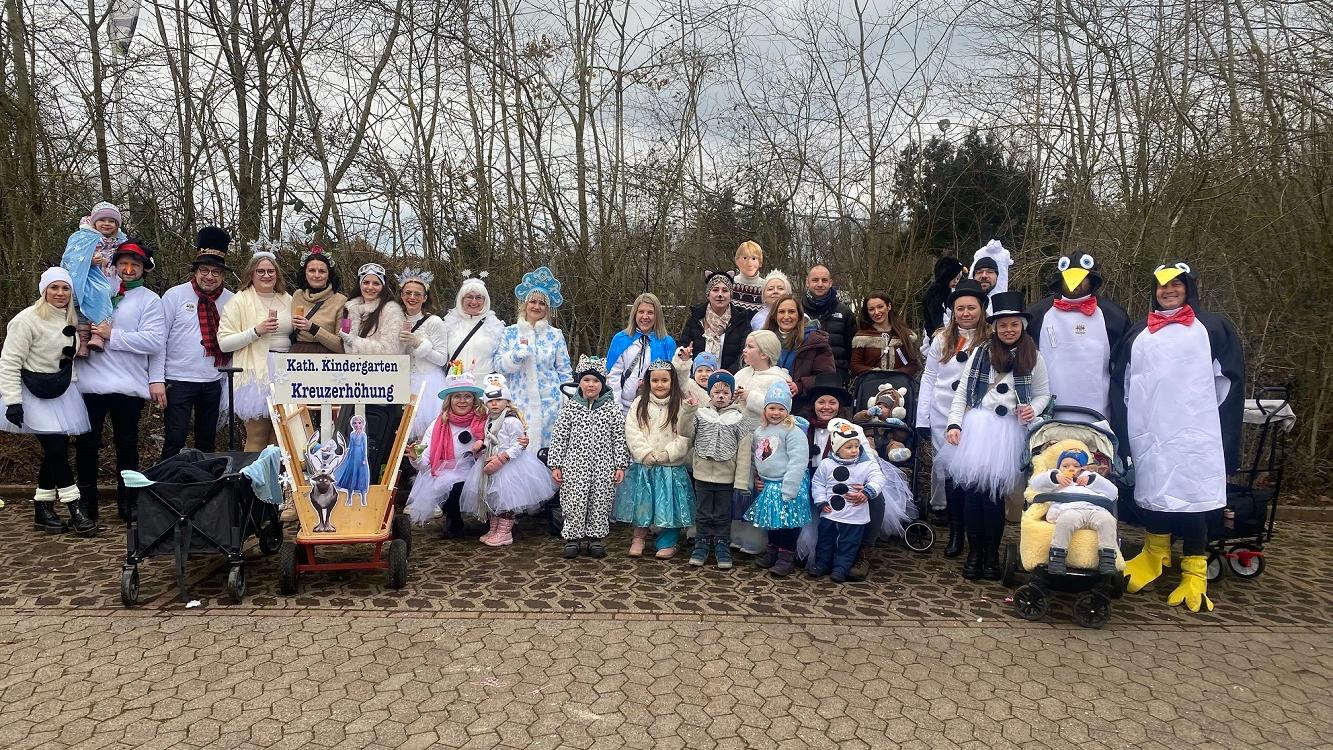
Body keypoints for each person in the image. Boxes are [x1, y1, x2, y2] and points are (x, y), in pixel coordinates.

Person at [1116, 262, 1244, 613]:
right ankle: (1154, 554)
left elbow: (1227, 383)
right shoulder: (1139, 332)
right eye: (1161, 286)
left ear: (1188, 287)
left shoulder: (1213, 328)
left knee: (1192, 498)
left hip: (1195, 432)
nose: (1168, 290)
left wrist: (1215, 428)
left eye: (1175, 284)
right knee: (1154, 493)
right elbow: (1123, 383)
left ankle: (1195, 571)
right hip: (1151, 430)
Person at [945, 290, 1051, 581]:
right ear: (994, 326)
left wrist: (1033, 408)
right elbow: (963, 392)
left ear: (1022, 326)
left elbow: (1043, 394)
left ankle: (991, 553)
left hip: (1008, 432)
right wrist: (955, 424)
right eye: (1002, 324)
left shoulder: (1034, 357)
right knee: (973, 495)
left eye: (1014, 324)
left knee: (994, 498)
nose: (1008, 329)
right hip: (978, 428)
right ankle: (974, 551)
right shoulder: (981, 352)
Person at [74, 238, 166, 525]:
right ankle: (87, 504)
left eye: (134, 265)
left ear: (143, 269)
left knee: (127, 444)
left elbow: (154, 341)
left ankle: (129, 503)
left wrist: (113, 335)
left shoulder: (150, 300)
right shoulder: (94, 291)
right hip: (90, 382)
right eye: (123, 264)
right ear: (114, 265)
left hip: (127, 383)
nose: (128, 269)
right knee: (86, 444)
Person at [0, 268, 95, 536]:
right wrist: (13, 401)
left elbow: (66, 360)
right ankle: (75, 507)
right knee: (56, 449)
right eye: (54, 288)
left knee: (56, 450)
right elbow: (9, 361)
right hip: (32, 393)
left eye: (65, 289)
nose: (60, 293)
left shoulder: (69, 319)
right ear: (44, 291)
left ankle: (42, 509)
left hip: (61, 391)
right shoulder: (26, 320)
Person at [916, 279, 989, 554]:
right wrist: (923, 418)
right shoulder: (941, 339)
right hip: (942, 413)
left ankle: (973, 531)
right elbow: (930, 377)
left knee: (971, 472)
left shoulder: (990, 339)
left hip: (976, 415)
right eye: (960, 308)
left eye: (971, 308)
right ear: (953, 311)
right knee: (947, 469)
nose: (966, 313)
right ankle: (954, 530)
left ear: (981, 309)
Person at [1026, 251, 1130, 423]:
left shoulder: (1114, 316)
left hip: (1098, 409)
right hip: (1049, 409)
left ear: (1091, 279)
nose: (1076, 284)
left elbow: (1123, 368)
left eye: (1082, 278)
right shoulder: (1037, 314)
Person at [159, 227, 234, 460]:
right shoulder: (175, 296)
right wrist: (157, 379)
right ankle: (168, 487)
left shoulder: (231, 300)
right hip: (178, 379)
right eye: (204, 270)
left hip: (213, 380)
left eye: (216, 272)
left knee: (206, 440)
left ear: (223, 274)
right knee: (175, 437)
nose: (209, 277)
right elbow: (159, 340)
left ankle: (204, 488)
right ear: (196, 271)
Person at [613, 360, 696, 559]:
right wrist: (644, 453)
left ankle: (668, 540)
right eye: (655, 380)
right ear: (648, 382)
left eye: (665, 380)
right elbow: (632, 430)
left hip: (670, 466)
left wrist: (668, 453)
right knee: (644, 502)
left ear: (672, 381)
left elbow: (686, 434)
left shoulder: (681, 405)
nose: (660, 385)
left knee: (670, 504)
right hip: (646, 465)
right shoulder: (639, 404)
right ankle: (639, 538)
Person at [547, 356, 629, 558]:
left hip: (604, 467)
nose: (591, 385)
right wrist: (555, 464)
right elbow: (559, 437)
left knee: (600, 502)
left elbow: (619, 438)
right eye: (586, 380)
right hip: (574, 466)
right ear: (579, 382)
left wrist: (620, 465)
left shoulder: (612, 409)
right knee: (573, 502)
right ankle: (572, 538)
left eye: (596, 381)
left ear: (603, 383)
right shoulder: (570, 408)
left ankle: (596, 538)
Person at [461, 374, 555, 546]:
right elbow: (489, 437)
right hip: (490, 460)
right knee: (492, 498)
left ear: (507, 401)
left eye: (498, 400)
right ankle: (494, 529)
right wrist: (481, 445)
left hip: (509, 465)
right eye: (490, 401)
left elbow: (518, 445)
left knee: (506, 500)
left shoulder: (512, 421)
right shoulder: (490, 419)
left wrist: (503, 457)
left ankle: (504, 532)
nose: (494, 404)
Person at [218, 249, 293, 451]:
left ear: (277, 274)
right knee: (258, 435)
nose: (266, 275)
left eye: (270, 271)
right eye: (260, 271)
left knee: (281, 437)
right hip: (255, 372)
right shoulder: (240, 300)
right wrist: (256, 331)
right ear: (251, 274)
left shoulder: (288, 299)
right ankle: (251, 481)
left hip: (285, 370)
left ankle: (275, 480)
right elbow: (224, 343)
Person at [495, 267, 573, 451]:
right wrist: (514, 357)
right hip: (518, 402)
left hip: (551, 404)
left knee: (549, 452)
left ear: (547, 308)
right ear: (525, 304)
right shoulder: (510, 332)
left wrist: (567, 398)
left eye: (542, 303)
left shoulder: (555, 335)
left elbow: (564, 370)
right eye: (533, 301)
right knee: (518, 449)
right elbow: (498, 366)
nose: (537, 306)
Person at [685, 369, 753, 570]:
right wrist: (687, 411)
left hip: (726, 477)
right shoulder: (700, 414)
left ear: (732, 394)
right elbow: (685, 433)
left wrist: (741, 481)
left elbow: (744, 451)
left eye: (725, 392)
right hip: (703, 474)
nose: (721, 396)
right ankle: (702, 543)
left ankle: (722, 544)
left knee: (723, 513)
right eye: (716, 392)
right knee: (703, 512)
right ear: (709, 394)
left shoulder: (740, 418)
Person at [404, 370, 486, 534]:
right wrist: (415, 458)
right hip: (450, 473)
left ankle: (494, 521)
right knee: (449, 484)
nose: (462, 401)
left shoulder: (484, 419)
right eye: (457, 396)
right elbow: (426, 462)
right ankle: (453, 518)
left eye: (467, 396)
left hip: (480, 470)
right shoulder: (438, 425)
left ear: (474, 400)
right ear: (450, 400)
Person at [745, 381, 812, 577]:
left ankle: (786, 558)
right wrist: (757, 477)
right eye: (771, 408)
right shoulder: (760, 431)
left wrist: (789, 488)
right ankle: (772, 551)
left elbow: (798, 461)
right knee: (772, 521)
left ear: (788, 410)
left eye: (781, 408)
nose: (776, 413)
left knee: (786, 524)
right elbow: (757, 457)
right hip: (768, 484)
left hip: (786, 485)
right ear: (765, 410)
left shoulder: (793, 432)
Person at [809, 420, 886, 583]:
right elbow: (818, 483)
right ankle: (822, 564)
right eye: (849, 447)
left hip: (854, 514)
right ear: (837, 448)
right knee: (825, 539)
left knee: (848, 543)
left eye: (856, 447)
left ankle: (841, 568)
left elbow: (878, 477)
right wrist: (821, 501)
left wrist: (867, 491)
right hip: (830, 512)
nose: (854, 451)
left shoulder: (865, 465)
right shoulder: (826, 464)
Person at [1028, 447, 1118, 575]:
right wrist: (1055, 477)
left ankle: (1108, 559)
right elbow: (1035, 484)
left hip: (1094, 509)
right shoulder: (1056, 480)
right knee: (1066, 520)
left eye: (1076, 466)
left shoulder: (1092, 478)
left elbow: (1113, 492)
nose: (1071, 468)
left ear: (1083, 468)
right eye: (1065, 465)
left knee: (1108, 521)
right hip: (1069, 508)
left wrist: (1093, 481)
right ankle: (1057, 556)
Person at [61, 201, 125, 357]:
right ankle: (82, 342)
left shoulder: (120, 241)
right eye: (102, 220)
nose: (107, 224)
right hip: (84, 279)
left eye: (111, 221)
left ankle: (97, 335)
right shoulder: (82, 237)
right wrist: (88, 260)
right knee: (83, 303)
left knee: (104, 295)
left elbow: (133, 253)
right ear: (94, 221)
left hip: (108, 278)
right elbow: (69, 258)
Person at [396, 268, 450, 440]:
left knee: (425, 436)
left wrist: (418, 343)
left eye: (417, 294)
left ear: (425, 298)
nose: (412, 297)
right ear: (402, 295)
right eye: (408, 293)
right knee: (399, 433)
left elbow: (442, 358)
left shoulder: (434, 322)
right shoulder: (393, 319)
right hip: (400, 381)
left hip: (427, 384)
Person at [764, 294, 835, 414]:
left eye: (791, 311)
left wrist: (800, 385)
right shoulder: (763, 339)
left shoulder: (814, 341)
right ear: (774, 316)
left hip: (801, 408)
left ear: (799, 315)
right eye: (781, 312)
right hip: (767, 407)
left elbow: (827, 377)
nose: (786, 316)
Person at [606, 292, 677, 412]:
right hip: (624, 408)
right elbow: (613, 376)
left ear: (657, 316)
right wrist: (616, 408)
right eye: (641, 312)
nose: (645, 316)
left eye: (650, 312)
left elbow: (674, 378)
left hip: (656, 409)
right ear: (635, 314)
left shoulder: (667, 342)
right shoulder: (621, 339)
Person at [679, 271, 755, 373]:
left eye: (725, 290)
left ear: (730, 295)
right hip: (697, 380)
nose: (720, 294)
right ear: (708, 294)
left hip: (731, 380)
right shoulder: (696, 319)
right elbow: (683, 351)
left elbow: (745, 354)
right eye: (715, 290)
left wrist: (727, 374)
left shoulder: (741, 320)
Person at [441, 273, 505, 378]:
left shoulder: (496, 326)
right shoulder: (448, 324)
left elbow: (501, 360)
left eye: (479, 297)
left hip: (485, 387)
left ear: (485, 300)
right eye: (469, 297)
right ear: (461, 300)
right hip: (455, 387)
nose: (474, 301)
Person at [288, 246, 347, 355]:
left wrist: (312, 328)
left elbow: (343, 346)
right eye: (311, 270)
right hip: (297, 359)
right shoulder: (297, 296)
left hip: (326, 362)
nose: (316, 275)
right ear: (305, 274)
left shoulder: (341, 301)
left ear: (329, 275)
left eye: (322, 271)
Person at [802, 265, 855, 382]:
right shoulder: (797, 311)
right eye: (815, 280)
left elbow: (852, 350)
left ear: (830, 283)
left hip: (837, 376)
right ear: (807, 282)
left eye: (824, 280)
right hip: (805, 377)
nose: (820, 284)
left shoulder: (845, 312)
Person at [340, 263, 406, 354]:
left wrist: (355, 341)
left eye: (376, 283)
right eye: (366, 282)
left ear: (383, 287)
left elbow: (391, 350)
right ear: (360, 285)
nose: (370, 287)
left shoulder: (392, 311)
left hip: (380, 367)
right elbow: (344, 342)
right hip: (353, 366)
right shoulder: (349, 309)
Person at [851, 292, 921, 379]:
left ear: (889, 306)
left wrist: (896, 374)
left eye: (880, 307)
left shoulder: (906, 335)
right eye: (871, 309)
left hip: (900, 386)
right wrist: (874, 372)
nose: (876, 312)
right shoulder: (861, 337)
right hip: (871, 385)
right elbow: (855, 365)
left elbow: (913, 365)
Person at [921, 257, 966, 340]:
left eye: (958, 278)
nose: (956, 281)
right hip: (937, 333)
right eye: (954, 278)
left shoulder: (950, 290)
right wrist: (940, 327)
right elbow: (936, 312)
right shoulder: (935, 292)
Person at [969, 239, 1012, 312]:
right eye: (979, 272)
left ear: (997, 277)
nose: (984, 276)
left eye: (990, 272)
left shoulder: (1007, 309)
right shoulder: (961, 306)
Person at [728, 240, 766, 312]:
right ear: (737, 261)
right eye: (745, 258)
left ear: (760, 263)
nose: (749, 263)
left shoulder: (766, 287)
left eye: (754, 258)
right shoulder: (729, 284)